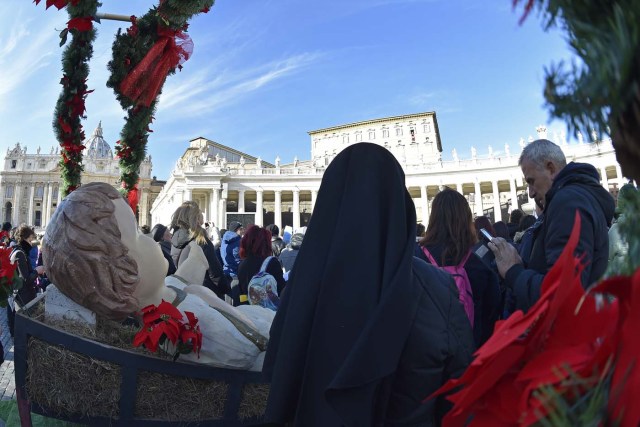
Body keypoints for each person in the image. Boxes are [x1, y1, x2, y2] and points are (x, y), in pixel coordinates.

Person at [264, 143, 474, 426]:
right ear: (399, 204)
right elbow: (462, 395)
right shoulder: (438, 289)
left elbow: (276, 383)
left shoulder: (299, 290)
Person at [41, 182, 273, 370]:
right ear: (122, 275)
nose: (151, 239)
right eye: (137, 235)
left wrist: (195, 259)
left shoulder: (165, 298)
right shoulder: (177, 328)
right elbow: (248, 352)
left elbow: (182, 280)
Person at [489, 139, 615, 312]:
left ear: (551, 168)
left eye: (531, 181)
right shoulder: (578, 198)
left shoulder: (567, 202)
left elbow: (564, 294)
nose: (531, 193)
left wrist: (513, 271)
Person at [415, 188, 501, 347]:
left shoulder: (415, 259)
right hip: (467, 356)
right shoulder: (478, 265)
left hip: (424, 356)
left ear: (433, 218)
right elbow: (491, 316)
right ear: (467, 219)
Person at [170, 202, 228, 299]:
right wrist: (225, 288)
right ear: (196, 218)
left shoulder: (174, 239)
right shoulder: (200, 240)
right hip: (205, 292)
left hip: (185, 291)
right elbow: (215, 273)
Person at [8, 225, 45, 336]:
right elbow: (26, 279)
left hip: (21, 295)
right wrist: (37, 271)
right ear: (24, 239)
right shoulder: (20, 253)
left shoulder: (18, 251)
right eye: (30, 240)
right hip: (23, 297)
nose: (31, 243)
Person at [235, 225, 286, 306]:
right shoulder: (272, 263)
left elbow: (242, 294)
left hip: (249, 312)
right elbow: (281, 289)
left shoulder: (242, 265)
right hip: (268, 313)